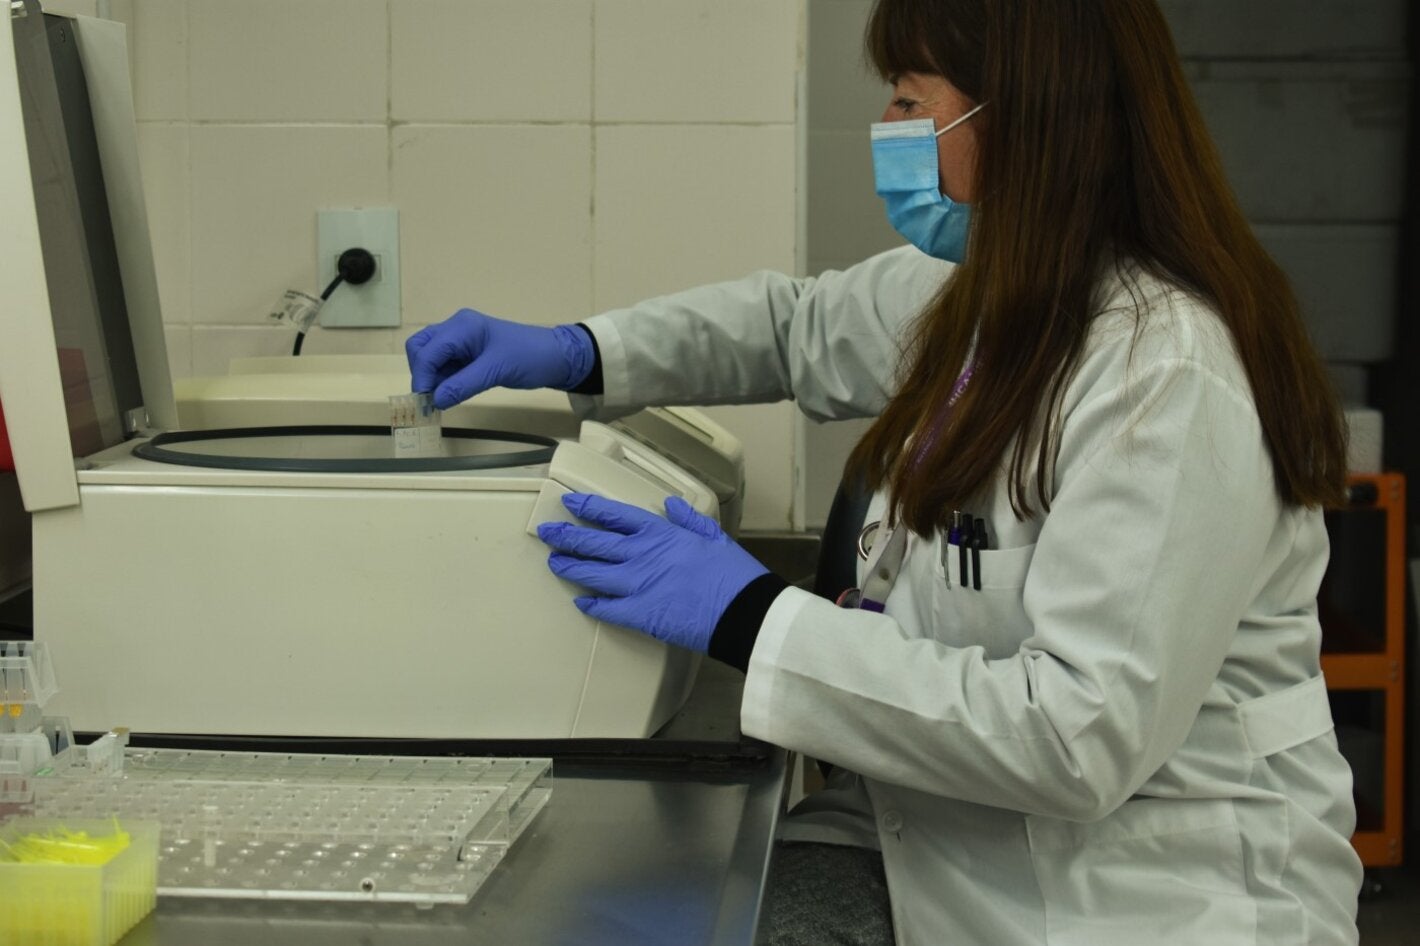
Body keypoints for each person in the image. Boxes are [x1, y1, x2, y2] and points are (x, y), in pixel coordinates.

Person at [405, 0, 1363, 942]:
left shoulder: (1165, 369)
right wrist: (581, 351)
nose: (887, 131)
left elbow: (1078, 737)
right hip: (954, 842)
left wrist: (750, 616)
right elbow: (792, 327)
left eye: (911, 102)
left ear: (1029, 116)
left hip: (1154, 899)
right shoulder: (990, 294)